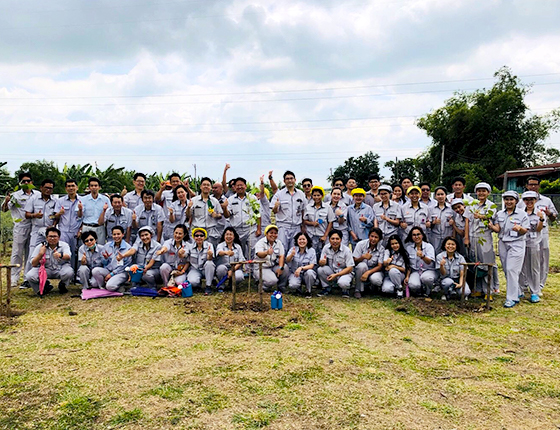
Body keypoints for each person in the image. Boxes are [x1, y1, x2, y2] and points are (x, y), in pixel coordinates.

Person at [488, 190, 529, 308]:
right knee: (507, 269)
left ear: (516, 201)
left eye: (511, 199)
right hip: (503, 243)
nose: (509, 202)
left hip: (517, 244)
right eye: (506, 199)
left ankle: (511, 298)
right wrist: (491, 226)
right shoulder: (500, 214)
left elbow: (525, 230)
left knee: (512, 269)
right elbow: (498, 229)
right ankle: (518, 291)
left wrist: (519, 228)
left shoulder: (522, 214)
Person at [517, 176, 558, 291]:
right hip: (525, 234)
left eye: (535, 184)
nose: (533, 187)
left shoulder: (546, 200)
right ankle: (524, 284)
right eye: (530, 184)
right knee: (525, 259)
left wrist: (549, 213)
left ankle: (539, 284)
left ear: (539, 186)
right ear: (526, 186)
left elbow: (554, 218)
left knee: (542, 259)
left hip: (542, 233)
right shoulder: (521, 202)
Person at [1, 172, 40, 286]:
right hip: (20, 226)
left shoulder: (37, 194)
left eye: (28, 181)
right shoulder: (15, 195)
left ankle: (27, 278)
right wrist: (7, 200)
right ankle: (14, 278)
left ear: (32, 182)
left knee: (30, 252)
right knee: (17, 252)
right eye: (24, 181)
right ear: (20, 183)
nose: (26, 183)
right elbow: (4, 209)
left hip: (33, 226)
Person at [468, 182, 499, 297]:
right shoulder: (472, 204)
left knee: (486, 264)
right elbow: (467, 220)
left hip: (485, 238)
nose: (481, 193)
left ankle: (488, 290)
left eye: (484, 191)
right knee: (475, 263)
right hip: (472, 237)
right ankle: (477, 288)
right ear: (476, 192)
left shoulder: (491, 205)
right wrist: (467, 237)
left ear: (488, 193)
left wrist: (480, 216)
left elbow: (490, 216)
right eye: (479, 191)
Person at [25, 226, 73, 295]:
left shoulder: (64, 245)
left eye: (55, 236)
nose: (52, 238)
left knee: (69, 272)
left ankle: (63, 284)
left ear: (59, 237)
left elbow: (68, 257)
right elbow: (33, 264)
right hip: (45, 269)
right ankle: (42, 288)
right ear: (46, 238)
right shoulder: (40, 247)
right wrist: (40, 254)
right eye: (50, 236)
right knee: (30, 276)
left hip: (60, 268)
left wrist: (60, 255)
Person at [24, 179, 58, 273]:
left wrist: (53, 225)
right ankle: (27, 278)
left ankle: (45, 276)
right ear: (41, 188)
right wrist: (35, 215)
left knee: (50, 253)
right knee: (32, 252)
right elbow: (26, 214)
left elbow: (56, 216)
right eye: (46, 187)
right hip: (37, 229)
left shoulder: (55, 201)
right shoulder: (33, 199)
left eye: (50, 188)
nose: (48, 190)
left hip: (50, 230)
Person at [271, 171, 306, 253]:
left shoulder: (301, 194)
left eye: (291, 178)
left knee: (295, 249)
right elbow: (274, 211)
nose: (289, 180)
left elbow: (303, 210)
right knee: (282, 249)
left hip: (296, 226)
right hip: (283, 226)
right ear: (284, 181)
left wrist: (303, 226)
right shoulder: (279, 194)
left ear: (295, 180)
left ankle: (292, 266)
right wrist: (276, 206)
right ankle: (282, 265)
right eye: (287, 179)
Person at [226, 177, 261, 258]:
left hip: (250, 229)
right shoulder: (231, 200)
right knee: (238, 251)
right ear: (234, 187)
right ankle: (240, 269)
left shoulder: (252, 198)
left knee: (252, 250)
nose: (239, 187)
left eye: (241, 185)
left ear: (245, 186)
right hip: (236, 230)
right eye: (237, 185)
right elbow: (227, 215)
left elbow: (258, 214)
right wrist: (224, 207)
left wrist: (258, 229)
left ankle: (251, 269)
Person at [519, 191, 545, 303]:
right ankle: (521, 289)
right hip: (520, 242)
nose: (529, 202)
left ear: (535, 201)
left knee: (534, 268)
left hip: (533, 243)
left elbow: (539, 229)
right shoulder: (520, 213)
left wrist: (541, 219)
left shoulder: (539, 213)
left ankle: (535, 291)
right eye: (526, 200)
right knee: (520, 267)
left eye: (531, 200)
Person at [53, 179, 82, 273]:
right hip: (63, 231)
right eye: (68, 186)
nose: (71, 188)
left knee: (75, 253)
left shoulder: (82, 201)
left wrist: (80, 230)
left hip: (76, 231)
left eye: (73, 186)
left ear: (77, 187)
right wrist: (59, 213)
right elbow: (55, 216)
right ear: (66, 189)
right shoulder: (60, 201)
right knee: (64, 252)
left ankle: (75, 274)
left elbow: (84, 217)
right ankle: (64, 274)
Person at [92, 226, 132, 292]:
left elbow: (125, 265)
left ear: (123, 234)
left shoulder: (128, 248)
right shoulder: (107, 246)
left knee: (110, 286)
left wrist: (112, 274)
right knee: (95, 271)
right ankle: (103, 287)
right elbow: (104, 263)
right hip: (108, 270)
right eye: (114, 234)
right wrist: (105, 259)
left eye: (118, 234)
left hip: (121, 272)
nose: (116, 236)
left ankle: (120, 287)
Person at [188, 177, 224, 249]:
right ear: (201, 187)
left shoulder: (215, 201)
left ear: (210, 187)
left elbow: (221, 215)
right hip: (197, 231)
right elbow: (188, 215)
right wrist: (188, 208)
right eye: (204, 185)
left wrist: (215, 215)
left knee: (211, 253)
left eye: (208, 185)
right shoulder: (194, 200)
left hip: (211, 232)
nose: (206, 186)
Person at [317, 229, 355, 297]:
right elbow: (320, 262)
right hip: (332, 271)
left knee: (343, 283)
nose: (335, 241)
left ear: (341, 240)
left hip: (344, 273)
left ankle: (345, 290)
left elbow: (350, 268)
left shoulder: (346, 250)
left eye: (337, 239)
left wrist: (336, 275)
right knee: (320, 269)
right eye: (332, 238)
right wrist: (322, 262)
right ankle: (327, 288)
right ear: (329, 239)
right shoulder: (326, 248)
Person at [253, 225, 288, 291]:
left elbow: (281, 256)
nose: (273, 235)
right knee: (272, 280)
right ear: (266, 234)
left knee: (285, 268)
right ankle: (262, 286)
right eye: (271, 233)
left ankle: (281, 287)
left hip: (272, 266)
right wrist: (266, 252)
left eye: (275, 233)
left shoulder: (278, 242)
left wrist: (280, 268)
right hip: (261, 267)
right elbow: (259, 254)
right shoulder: (260, 242)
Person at [303, 186, 335, 259]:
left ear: (322, 196)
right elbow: (305, 221)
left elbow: (330, 222)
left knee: (323, 255)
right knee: (311, 255)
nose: (316, 197)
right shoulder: (308, 207)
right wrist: (312, 223)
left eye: (318, 195)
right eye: (314, 195)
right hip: (311, 236)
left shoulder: (327, 207)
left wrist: (325, 236)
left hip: (322, 236)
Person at [404, 227, 437, 296]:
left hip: (428, 270)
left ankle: (428, 291)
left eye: (418, 234)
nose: (416, 237)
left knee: (427, 278)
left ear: (422, 235)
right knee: (413, 285)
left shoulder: (429, 246)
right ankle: (420, 291)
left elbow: (429, 262)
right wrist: (407, 276)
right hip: (416, 271)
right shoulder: (409, 248)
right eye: (414, 235)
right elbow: (408, 265)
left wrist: (422, 256)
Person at [353, 227, 385, 299]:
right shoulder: (360, 244)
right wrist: (363, 257)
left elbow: (380, 266)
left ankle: (373, 287)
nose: (373, 239)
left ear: (379, 239)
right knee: (361, 265)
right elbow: (354, 260)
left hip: (374, 270)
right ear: (368, 236)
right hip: (362, 269)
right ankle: (358, 290)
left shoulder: (381, 248)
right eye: (372, 236)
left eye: (376, 237)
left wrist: (368, 272)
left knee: (376, 280)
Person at [78, 177, 111, 245]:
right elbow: (79, 215)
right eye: (91, 186)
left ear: (99, 187)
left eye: (96, 185)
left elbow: (109, 214)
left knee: (100, 248)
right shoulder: (83, 199)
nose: (94, 187)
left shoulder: (105, 199)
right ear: (89, 187)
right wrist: (80, 209)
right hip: (87, 227)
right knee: (86, 248)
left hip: (100, 227)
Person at [436, 236, 470, 300]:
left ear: (456, 246)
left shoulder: (460, 258)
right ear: (444, 246)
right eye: (448, 244)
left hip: (457, 279)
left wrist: (460, 284)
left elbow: (462, 273)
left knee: (466, 292)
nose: (450, 246)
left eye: (453, 244)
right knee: (448, 282)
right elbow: (443, 274)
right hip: (446, 279)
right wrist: (441, 265)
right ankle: (446, 294)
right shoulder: (440, 257)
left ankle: (456, 292)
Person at [285, 232, 317, 297]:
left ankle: (308, 291)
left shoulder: (312, 250)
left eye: (303, 239)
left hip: (306, 273)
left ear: (307, 241)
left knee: (310, 273)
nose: (302, 241)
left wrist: (301, 268)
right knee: (292, 285)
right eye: (300, 239)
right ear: (297, 241)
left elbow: (312, 265)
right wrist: (291, 255)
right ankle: (298, 290)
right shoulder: (293, 249)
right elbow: (287, 260)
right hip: (295, 273)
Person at [187, 227, 216, 295]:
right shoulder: (190, 246)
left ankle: (208, 286)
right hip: (195, 269)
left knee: (209, 263)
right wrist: (181, 253)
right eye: (197, 235)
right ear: (194, 237)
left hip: (205, 269)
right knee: (192, 282)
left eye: (201, 235)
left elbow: (210, 259)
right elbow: (184, 256)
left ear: (204, 237)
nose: (199, 237)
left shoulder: (209, 245)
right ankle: (198, 284)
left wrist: (210, 255)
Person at [426, 186, 455, 253]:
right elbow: (428, 224)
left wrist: (452, 222)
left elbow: (455, 223)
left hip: (448, 237)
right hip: (435, 238)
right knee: (435, 254)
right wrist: (433, 222)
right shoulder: (430, 209)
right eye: (438, 194)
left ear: (446, 195)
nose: (440, 196)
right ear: (435, 196)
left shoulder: (451, 208)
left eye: (442, 194)